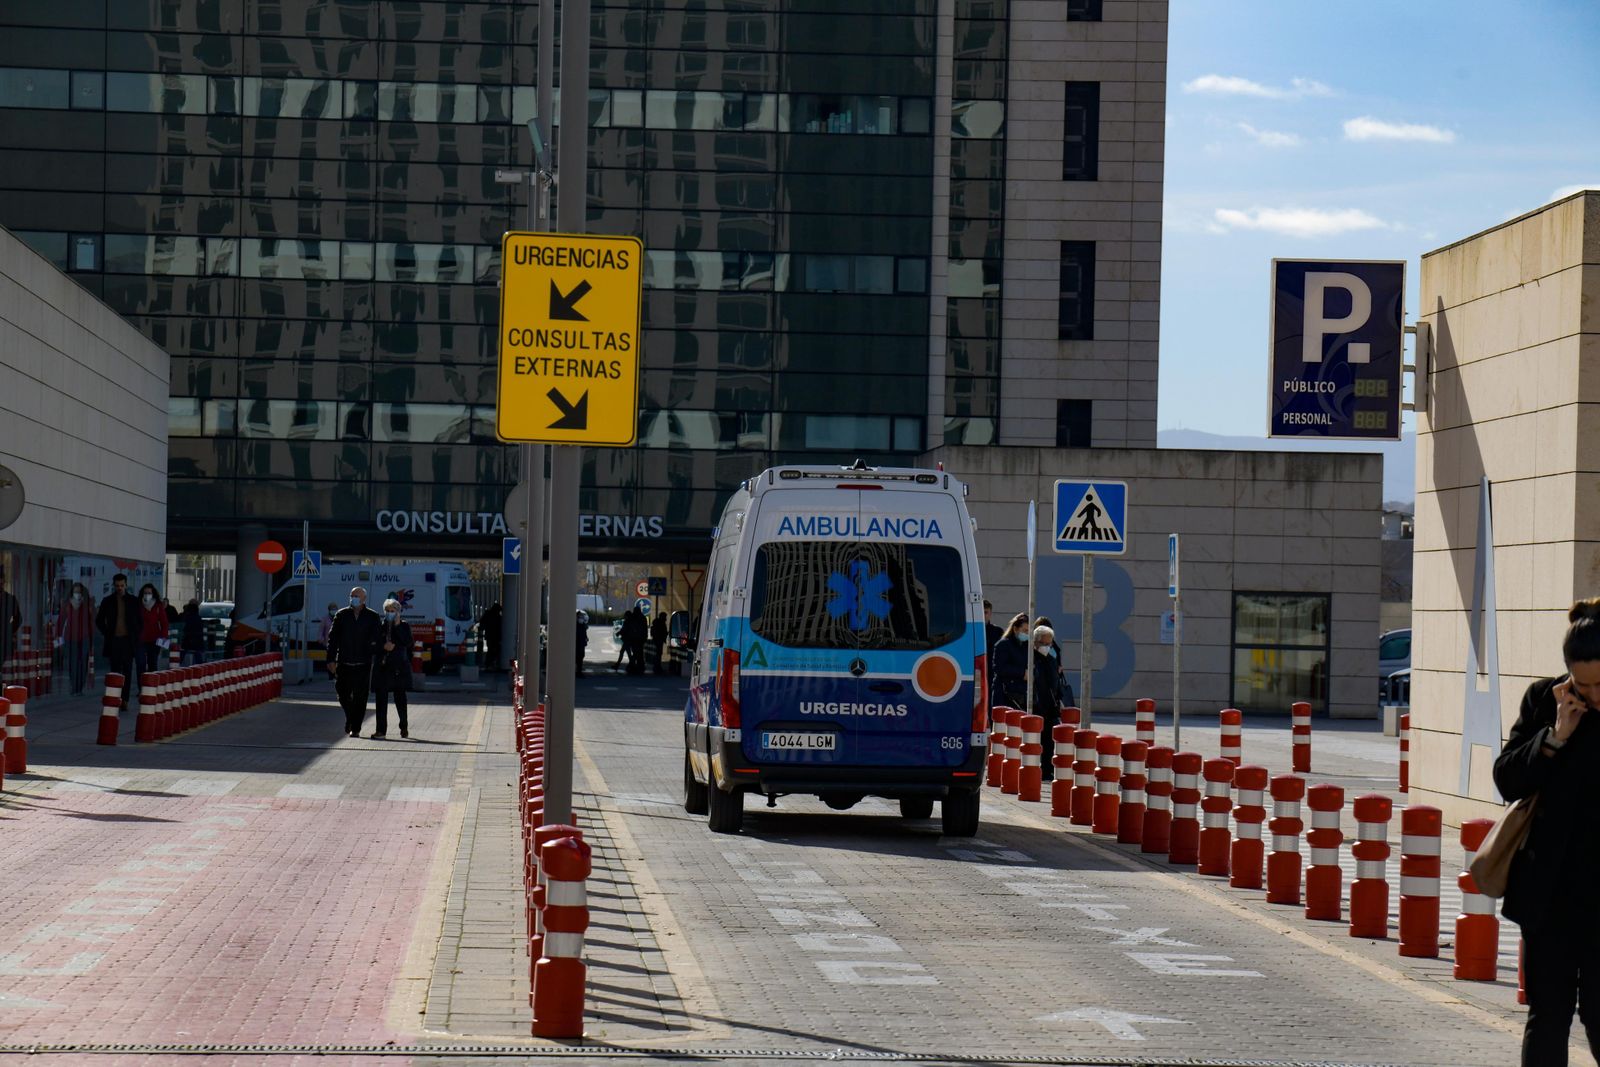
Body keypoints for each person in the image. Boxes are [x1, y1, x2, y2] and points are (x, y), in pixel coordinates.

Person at [1496, 597, 1600, 1064]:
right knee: (1549, 1014)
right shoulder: (1545, 701)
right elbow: (1506, 779)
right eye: (1583, 685)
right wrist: (1555, 737)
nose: (1593, 695)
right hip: (1552, 894)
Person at [326, 586, 382, 738]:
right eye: (352, 595)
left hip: (363, 664)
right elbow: (333, 639)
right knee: (343, 694)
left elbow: (377, 638)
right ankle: (350, 718)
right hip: (344, 662)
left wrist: (371, 648)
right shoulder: (341, 615)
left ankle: (355, 728)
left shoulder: (372, 616)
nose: (353, 598)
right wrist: (330, 659)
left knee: (360, 697)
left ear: (364, 599)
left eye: (356, 596)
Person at [94, 573, 141, 705]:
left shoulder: (133, 601)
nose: (119, 588)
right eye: (117, 586)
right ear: (114, 586)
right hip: (114, 640)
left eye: (122, 585)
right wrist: (107, 632)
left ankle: (124, 699)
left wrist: (135, 636)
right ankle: (115, 697)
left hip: (127, 641)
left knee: (127, 670)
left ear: (126, 585)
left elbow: (139, 622)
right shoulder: (108, 601)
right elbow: (99, 620)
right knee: (115, 670)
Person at [370, 598, 413, 739]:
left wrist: (398, 625)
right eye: (387, 611)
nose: (389, 613)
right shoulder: (379, 626)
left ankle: (404, 726)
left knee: (400, 699)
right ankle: (381, 730)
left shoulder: (404, 626)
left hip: (398, 668)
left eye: (392, 611)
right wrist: (383, 646)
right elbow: (372, 645)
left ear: (398, 612)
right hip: (383, 667)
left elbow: (407, 642)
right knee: (381, 700)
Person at [1031, 624, 1063, 782]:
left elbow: (1054, 681)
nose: (1048, 646)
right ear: (1036, 642)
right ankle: (1032, 768)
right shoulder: (1030, 657)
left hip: (1050, 705)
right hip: (1035, 703)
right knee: (1032, 740)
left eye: (1050, 643)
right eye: (1044, 643)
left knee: (1049, 741)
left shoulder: (1051, 657)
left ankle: (1046, 769)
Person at [54, 582, 94, 694]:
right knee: (73, 663)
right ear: (72, 593)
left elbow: (91, 622)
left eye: (79, 592)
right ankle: (74, 687)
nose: (78, 594)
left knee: (83, 664)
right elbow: (61, 620)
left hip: (85, 638)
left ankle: (80, 687)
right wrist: (57, 635)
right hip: (71, 638)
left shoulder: (86, 605)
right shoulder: (67, 605)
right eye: (75, 591)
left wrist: (92, 637)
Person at [990, 611, 1029, 710]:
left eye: (1029, 631)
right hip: (1004, 693)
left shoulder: (1026, 646)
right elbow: (999, 668)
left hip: (1020, 694)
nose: (1027, 634)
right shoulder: (1003, 645)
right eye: (1025, 631)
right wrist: (1022, 673)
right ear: (1015, 629)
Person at [134, 583, 169, 689]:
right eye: (145, 593)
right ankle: (142, 688)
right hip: (140, 640)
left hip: (154, 640)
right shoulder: (138, 606)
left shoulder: (158, 606)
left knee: (152, 664)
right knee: (140, 664)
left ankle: (151, 687)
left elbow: (164, 623)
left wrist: (163, 637)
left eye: (149, 593)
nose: (147, 595)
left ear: (153, 594)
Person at [0, 570, 19, 683]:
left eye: (1, 583)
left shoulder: (10, 599)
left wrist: (10, 629)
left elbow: (18, 618)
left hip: (5, 639)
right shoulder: (10, 599)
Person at [178, 598, 205, 666]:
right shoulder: (198, 617)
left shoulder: (187, 615)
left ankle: (176, 665)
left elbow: (184, 625)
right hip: (196, 639)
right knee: (197, 654)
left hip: (188, 638)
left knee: (183, 652)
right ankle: (200, 666)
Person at [479, 602, 503, 671]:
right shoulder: (498, 617)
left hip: (490, 635)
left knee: (490, 650)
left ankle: (489, 664)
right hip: (495, 636)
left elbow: (482, 622)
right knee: (495, 650)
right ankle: (492, 663)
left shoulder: (488, 614)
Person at [575, 609, 589, 677]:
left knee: (581, 656)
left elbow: (584, 632)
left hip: (581, 643)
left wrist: (586, 638)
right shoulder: (575, 625)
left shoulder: (582, 624)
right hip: (577, 643)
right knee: (578, 657)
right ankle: (578, 671)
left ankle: (579, 671)